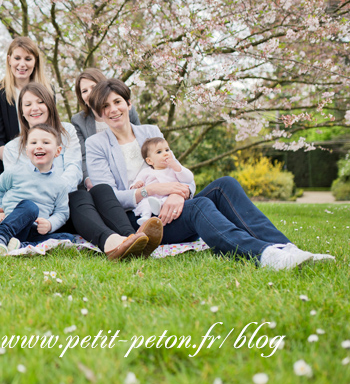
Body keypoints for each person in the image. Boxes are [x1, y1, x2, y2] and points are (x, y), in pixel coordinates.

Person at [85, 78, 336, 270]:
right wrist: (151, 190)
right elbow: (109, 199)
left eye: (117, 101)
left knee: (224, 184)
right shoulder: (96, 145)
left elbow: (174, 169)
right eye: (105, 106)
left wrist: (179, 195)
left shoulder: (150, 131)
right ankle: (264, 255)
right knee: (199, 206)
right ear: (99, 112)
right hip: (142, 222)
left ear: (128, 103)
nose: (113, 109)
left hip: (172, 207)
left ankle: (285, 248)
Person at [3, 82, 156, 260]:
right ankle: (110, 243)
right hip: (41, 215)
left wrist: (57, 191)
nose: (34, 108)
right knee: (78, 196)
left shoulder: (66, 131)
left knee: (100, 188)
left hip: (67, 208)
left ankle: (132, 238)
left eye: (40, 102)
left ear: (50, 106)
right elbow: (14, 186)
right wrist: (52, 193)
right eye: (28, 105)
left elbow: (74, 170)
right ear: (21, 111)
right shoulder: (12, 148)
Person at [0, 36, 52, 214]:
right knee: (2, 210)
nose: (22, 64)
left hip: (41, 164)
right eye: (17, 58)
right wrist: (21, 168)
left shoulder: (47, 93)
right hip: (4, 166)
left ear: (35, 62)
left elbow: (50, 134)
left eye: (28, 59)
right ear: (9, 60)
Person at [0, 124, 76, 254]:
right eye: (34, 142)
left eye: (46, 142)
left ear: (57, 151)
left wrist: (50, 224)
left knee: (68, 238)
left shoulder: (60, 183)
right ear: (27, 150)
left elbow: (62, 212)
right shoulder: (15, 172)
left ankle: (22, 245)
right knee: (30, 207)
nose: (39, 146)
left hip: (35, 231)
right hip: (12, 225)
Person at [130, 137, 194, 225]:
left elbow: (189, 178)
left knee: (166, 200)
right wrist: (136, 184)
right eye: (159, 152)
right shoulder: (146, 171)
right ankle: (145, 216)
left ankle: (158, 206)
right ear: (149, 161)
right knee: (145, 203)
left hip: (168, 200)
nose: (165, 154)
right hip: (151, 198)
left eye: (167, 150)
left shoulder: (173, 169)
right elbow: (135, 185)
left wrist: (177, 167)